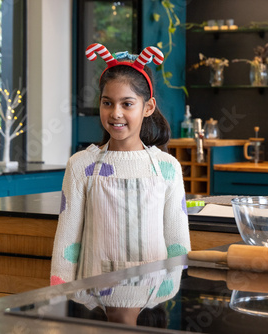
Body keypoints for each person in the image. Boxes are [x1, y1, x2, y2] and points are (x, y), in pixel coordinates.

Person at [50, 43, 191, 285]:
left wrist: (172, 296)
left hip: (153, 296)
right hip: (92, 298)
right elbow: (67, 242)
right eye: (107, 103)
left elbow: (177, 244)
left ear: (148, 107)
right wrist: (60, 298)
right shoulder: (80, 165)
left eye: (127, 104)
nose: (115, 113)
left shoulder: (168, 167)